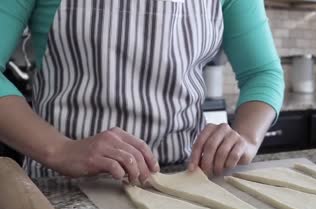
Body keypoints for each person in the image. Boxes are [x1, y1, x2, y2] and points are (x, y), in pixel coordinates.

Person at [0, 0, 284, 185]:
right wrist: (60, 149)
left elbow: (263, 72)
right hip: (62, 186)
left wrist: (246, 138)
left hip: (183, 180)